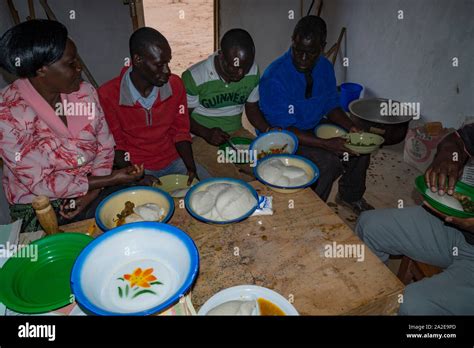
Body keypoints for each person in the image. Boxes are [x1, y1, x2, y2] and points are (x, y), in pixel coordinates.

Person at [0, 20, 144, 232]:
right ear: (42, 70)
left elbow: (104, 146)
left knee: (136, 205)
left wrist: (93, 190)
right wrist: (110, 179)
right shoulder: (8, 114)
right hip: (41, 203)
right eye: (71, 63)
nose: (80, 67)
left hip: (94, 184)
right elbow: (41, 183)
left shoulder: (84, 93)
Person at [259, 15, 373, 214]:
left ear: (322, 47)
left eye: (310, 53)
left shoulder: (325, 67)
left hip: (312, 125)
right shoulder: (274, 77)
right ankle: (311, 212)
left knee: (361, 142)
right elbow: (284, 130)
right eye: (298, 50)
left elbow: (331, 105)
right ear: (293, 40)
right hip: (283, 137)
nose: (302, 58)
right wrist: (326, 144)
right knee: (327, 163)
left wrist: (351, 127)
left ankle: (349, 197)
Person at [356, 124, 474, 315]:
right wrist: (449, 153)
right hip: (460, 232)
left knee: (412, 304)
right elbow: (458, 139)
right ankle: (372, 304)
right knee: (369, 225)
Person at [98, 27, 209, 185]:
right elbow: (117, 146)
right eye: (159, 65)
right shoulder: (108, 95)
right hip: (138, 167)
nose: (167, 71)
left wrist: (190, 167)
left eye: (167, 63)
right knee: (150, 207)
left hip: (174, 160)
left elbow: (180, 131)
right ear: (137, 60)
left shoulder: (175, 85)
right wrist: (139, 177)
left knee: (211, 189)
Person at [182, 28, 272, 181]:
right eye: (234, 67)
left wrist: (269, 131)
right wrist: (206, 133)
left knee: (268, 167)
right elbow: (182, 118)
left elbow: (252, 108)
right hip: (200, 137)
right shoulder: (195, 77)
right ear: (221, 55)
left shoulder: (252, 71)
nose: (241, 74)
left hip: (235, 133)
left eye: (246, 67)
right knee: (234, 179)